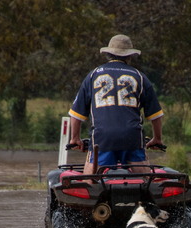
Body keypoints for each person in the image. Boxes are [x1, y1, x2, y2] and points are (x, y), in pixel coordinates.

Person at [68, 34, 165, 169]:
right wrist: (157, 139)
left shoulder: (93, 75)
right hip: (132, 138)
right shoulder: (140, 77)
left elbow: (76, 114)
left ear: (108, 54)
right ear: (130, 56)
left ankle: (92, 177)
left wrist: (75, 138)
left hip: (102, 139)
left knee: (91, 179)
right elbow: (155, 115)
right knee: (143, 177)